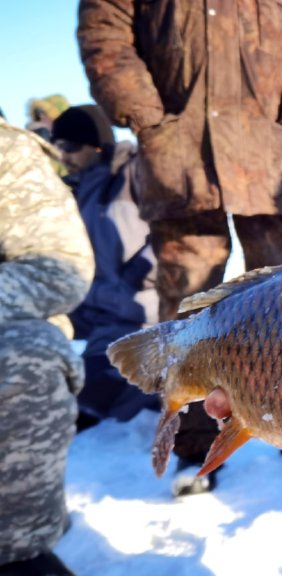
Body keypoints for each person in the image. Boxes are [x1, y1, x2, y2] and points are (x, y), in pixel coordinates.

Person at [77, 0, 282, 495]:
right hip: (179, 156)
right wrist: (148, 116)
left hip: (271, 151)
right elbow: (104, 30)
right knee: (186, 307)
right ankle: (195, 442)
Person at [0, 115, 94, 575]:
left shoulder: (6, 154)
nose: (70, 154)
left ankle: (17, 552)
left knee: (30, 354)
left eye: (74, 147)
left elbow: (60, 268)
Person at [51, 104, 160, 432]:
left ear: (97, 144)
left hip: (138, 310)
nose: (63, 156)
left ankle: (159, 389)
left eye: (70, 146)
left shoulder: (134, 173)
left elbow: (168, 238)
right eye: (57, 147)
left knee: (93, 398)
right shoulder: (75, 189)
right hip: (92, 309)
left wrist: (136, 281)